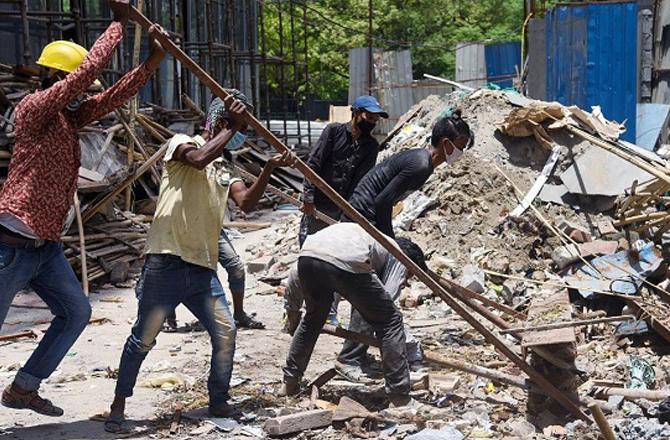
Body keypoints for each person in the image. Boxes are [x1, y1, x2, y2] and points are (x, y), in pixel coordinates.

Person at [0, 0, 165, 417]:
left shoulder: (66, 122)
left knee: (75, 313)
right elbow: (88, 75)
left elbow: (111, 96)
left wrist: (153, 60)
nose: (82, 97)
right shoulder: (34, 110)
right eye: (74, 86)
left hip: (45, 247)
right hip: (13, 241)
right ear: (56, 77)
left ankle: (24, 387)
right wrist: (117, 25)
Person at [105, 92, 296, 432]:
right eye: (236, 127)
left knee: (226, 332)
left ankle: (218, 401)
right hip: (165, 259)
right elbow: (197, 159)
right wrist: (230, 128)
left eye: (242, 129)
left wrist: (267, 168)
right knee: (143, 339)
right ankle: (119, 404)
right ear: (220, 123)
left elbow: (247, 204)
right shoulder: (182, 143)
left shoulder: (225, 166)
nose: (239, 135)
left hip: (202, 267)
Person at [278, 223, 427, 407]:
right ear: (410, 262)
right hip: (346, 260)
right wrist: (410, 350)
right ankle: (400, 396)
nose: (406, 280)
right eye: (409, 275)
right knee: (391, 321)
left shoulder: (372, 238)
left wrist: (292, 312)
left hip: (307, 255)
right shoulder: (397, 254)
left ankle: (290, 383)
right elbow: (388, 301)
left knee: (313, 319)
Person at [283, 95, 388, 332]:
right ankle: (291, 308)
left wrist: (352, 215)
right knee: (309, 261)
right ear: (356, 113)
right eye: (368, 116)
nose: (371, 121)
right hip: (318, 206)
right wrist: (308, 198)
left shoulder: (370, 147)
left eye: (374, 118)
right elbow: (313, 164)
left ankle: (327, 313)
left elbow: (362, 182)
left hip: (342, 211)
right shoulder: (333, 133)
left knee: (336, 263)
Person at [346, 110, 473, 238]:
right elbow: (383, 201)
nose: (460, 152)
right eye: (460, 147)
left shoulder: (424, 162)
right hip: (361, 213)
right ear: (446, 143)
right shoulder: (420, 165)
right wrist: (390, 239)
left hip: (364, 211)